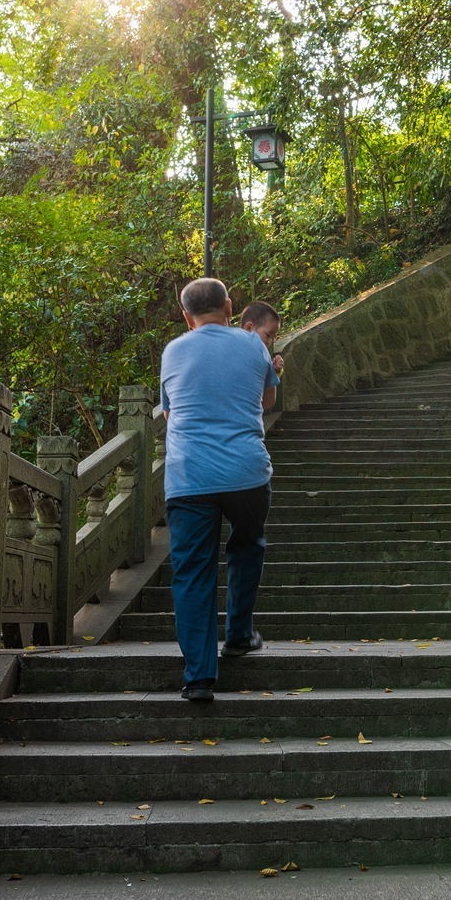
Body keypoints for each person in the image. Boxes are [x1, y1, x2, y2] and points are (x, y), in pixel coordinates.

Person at [159, 278, 280, 702]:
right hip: (247, 473)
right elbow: (266, 404)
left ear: (185, 315)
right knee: (247, 547)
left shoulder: (173, 351)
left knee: (192, 570)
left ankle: (198, 678)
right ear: (230, 307)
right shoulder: (253, 346)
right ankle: (240, 636)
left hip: (189, 476)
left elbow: (172, 410)